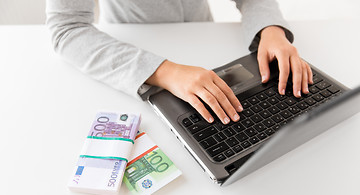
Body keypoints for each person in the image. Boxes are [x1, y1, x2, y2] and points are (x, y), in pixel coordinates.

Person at [46, 0, 312, 125]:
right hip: (129, 62)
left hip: (205, 45)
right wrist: (165, 72)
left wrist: (270, 30)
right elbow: (66, 27)